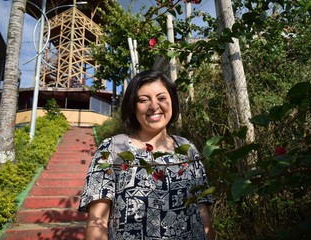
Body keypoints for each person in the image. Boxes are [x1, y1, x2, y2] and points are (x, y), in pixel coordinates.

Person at [79, 70, 215, 240]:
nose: (154, 106)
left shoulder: (187, 149)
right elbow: (97, 222)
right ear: (132, 106)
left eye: (162, 98)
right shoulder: (113, 149)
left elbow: (202, 214)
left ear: (172, 101)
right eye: (144, 100)